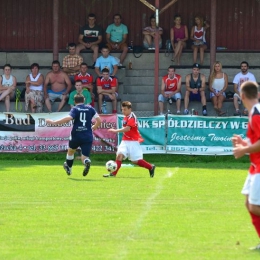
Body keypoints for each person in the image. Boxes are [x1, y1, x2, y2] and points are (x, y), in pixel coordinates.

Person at [232, 81, 260, 250]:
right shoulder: (254, 112)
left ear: (241, 96)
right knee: (249, 203)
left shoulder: (256, 114)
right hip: (255, 166)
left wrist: (244, 150)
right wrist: (244, 144)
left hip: (259, 166)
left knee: (254, 206)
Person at [46, 94, 101, 177]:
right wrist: (94, 127)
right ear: (84, 100)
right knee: (84, 157)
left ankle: (69, 168)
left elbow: (68, 118)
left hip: (76, 135)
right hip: (87, 135)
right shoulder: (90, 108)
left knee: (71, 151)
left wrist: (54, 122)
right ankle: (86, 162)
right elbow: (99, 120)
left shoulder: (75, 109)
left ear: (75, 102)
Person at [103, 101, 155, 178]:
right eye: (122, 109)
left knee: (135, 161)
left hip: (133, 142)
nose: (123, 111)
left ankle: (151, 167)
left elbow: (127, 129)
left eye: (125, 109)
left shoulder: (132, 117)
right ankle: (113, 174)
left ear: (130, 109)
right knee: (119, 155)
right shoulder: (126, 117)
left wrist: (115, 130)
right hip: (125, 141)